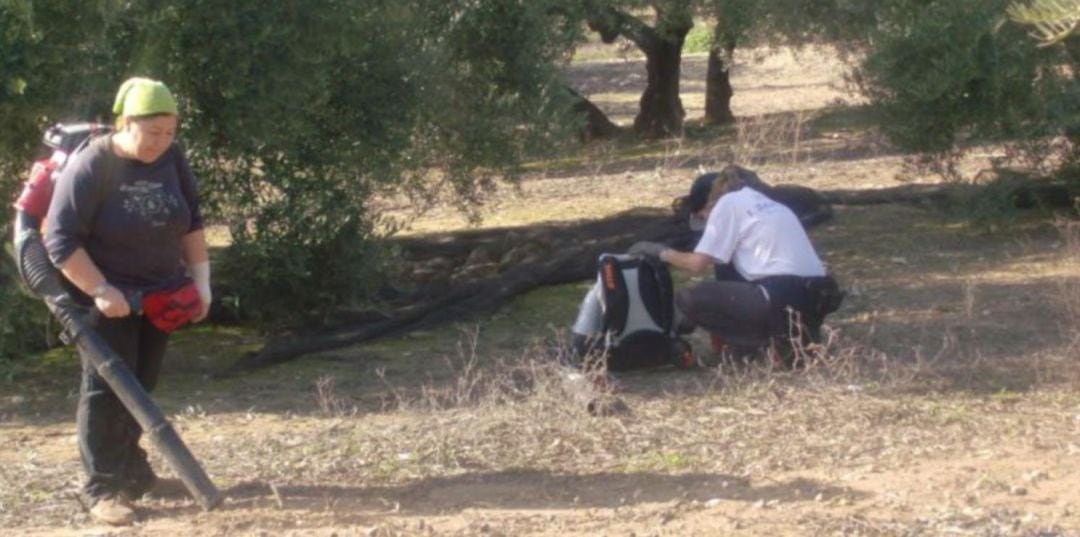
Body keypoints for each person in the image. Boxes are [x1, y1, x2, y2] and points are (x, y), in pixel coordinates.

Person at [44, 77, 211, 526]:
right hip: (107, 301)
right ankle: (102, 489)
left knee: (143, 385)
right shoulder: (92, 165)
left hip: (161, 294)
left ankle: (133, 472)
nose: (162, 141)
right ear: (125, 123)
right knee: (105, 393)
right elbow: (58, 241)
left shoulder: (171, 157)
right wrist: (100, 289)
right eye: (153, 132)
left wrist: (202, 280)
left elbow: (192, 219)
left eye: (170, 132)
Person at [630, 165, 840, 363]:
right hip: (816, 296)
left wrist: (660, 252)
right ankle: (779, 343)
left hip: (781, 294)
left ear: (710, 203)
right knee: (727, 269)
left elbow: (697, 264)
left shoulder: (727, 203)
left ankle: (754, 345)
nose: (704, 221)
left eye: (702, 216)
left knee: (690, 299)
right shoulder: (773, 205)